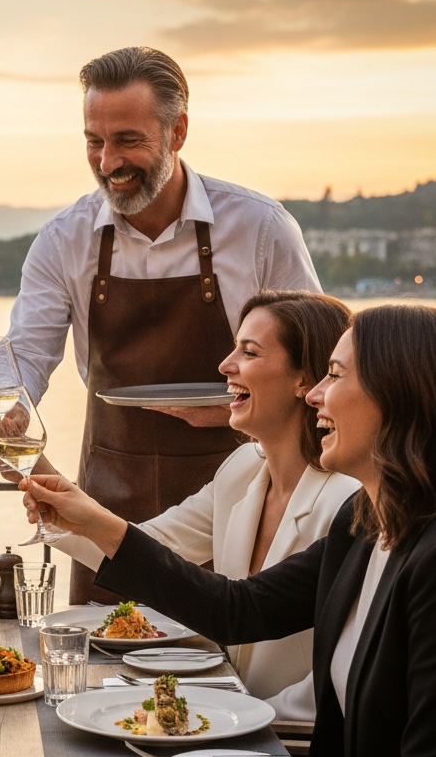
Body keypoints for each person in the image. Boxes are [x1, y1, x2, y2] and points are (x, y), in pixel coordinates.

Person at [23, 303, 436, 757]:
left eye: (336, 377)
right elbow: (237, 608)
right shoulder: (367, 525)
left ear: (399, 394)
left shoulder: (426, 562)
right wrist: (89, 518)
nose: (316, 395)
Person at [1, 45, 321, 604]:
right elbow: (23, 355)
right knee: (99, 669)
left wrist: (233, 407)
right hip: (103, 497)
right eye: (94, 141)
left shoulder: (260, 228)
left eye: (128, 140)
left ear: (178, 132)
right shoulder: (64, 239)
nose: (107, 163)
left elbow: (319, 365)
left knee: (232, 660)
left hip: (240, 494)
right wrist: (4, 406)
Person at [60, 290, 359, 722]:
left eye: (249, 351)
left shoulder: (348, 503)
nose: (225, 365)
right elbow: (154, 548)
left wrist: (230, 717)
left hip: (293, 742)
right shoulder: (241, 468)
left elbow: (334, 677)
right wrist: (50, 498)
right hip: (235, 717)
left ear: (304, 381)